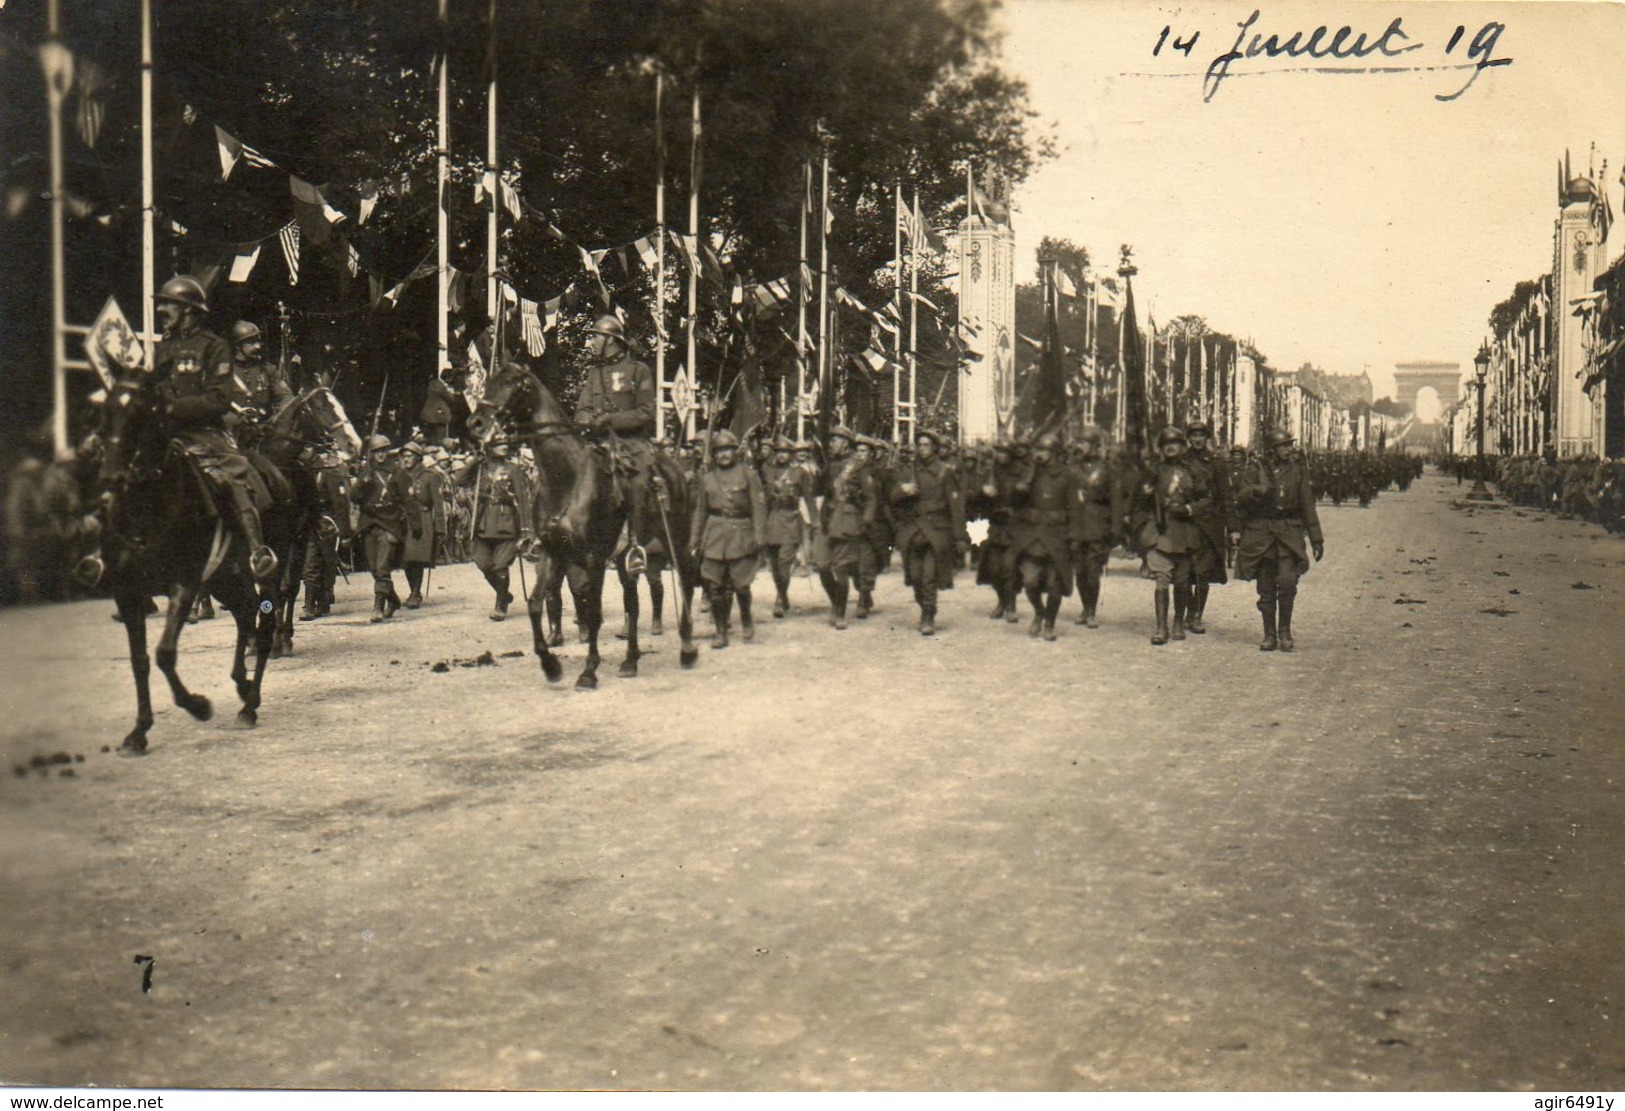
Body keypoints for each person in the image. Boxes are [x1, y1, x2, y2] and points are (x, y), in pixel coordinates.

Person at [148, 276, 279, 580]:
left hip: (206, 434)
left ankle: (258, 550)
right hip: (169, 433)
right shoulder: (163, 346)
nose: (162, 309)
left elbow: (219, 399)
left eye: (169, 304)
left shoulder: (214, 346)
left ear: (189, 310)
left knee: (233, 477)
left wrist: (174, 408)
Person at [574, 314, 659, 565]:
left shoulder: (639, 370)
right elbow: (581, 410)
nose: (591, 342)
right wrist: (588, 420)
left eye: (595, 336)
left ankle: (636, 545)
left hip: (632, 444)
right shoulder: (594, 373)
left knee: (640, 482)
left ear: (610, 340)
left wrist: (610, 419)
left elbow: (646, 412)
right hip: (597, 444)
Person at [1234, 428, 1324, 652]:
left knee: (1287, 581)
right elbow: (1240, 496)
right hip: (1262, 533)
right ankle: (1269, 634)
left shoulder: (1297, 471)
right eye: (1284, 446)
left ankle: (1284, 630)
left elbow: (1307, 504)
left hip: (1288, 532)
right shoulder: (1255, 469)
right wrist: (1256, 490)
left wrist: (1316, 539)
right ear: (1272, 449)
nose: (1288, 449)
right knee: (1265, 587)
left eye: (1289, 445)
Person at [689, 430, 767, 648]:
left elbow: (759, 508)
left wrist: (759, 536)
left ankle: (746, 617)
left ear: (735, 452)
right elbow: (700, 512)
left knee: (741, 585)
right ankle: (720, 631)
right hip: (714, 535)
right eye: (720, 451)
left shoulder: (748, 475)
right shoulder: (708, 478)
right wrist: (694, 540)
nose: (724, 455)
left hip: (741, 534)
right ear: (714, 454)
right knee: (714, 586)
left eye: (728, 450)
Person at [888, 428, 967, 636]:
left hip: (937, 529)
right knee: (914, 576)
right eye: (919, 445)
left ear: (934, 448)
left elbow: (955, 506)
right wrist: (903, 491)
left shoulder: (945, 472)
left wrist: (959, 536)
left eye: (926, 445)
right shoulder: (908, 471)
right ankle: (925, 607)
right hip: (913, 529)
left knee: (929, 576)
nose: (922, 449)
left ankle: (928, 615)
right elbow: (891, 498)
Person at [1007, 430, 1078, 641]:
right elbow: (1015, 503)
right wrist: (1022, 485)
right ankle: (1039, 611)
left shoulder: (1068, 476)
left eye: (1043, 450)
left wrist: (1074, 536)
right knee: (1030, 580)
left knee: (1055, 583)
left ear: (1055, 453)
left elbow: (1075, 508)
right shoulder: (1030, 473)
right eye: (1037, 449)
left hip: (1057, 536)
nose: (1038, 453)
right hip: (1033, 535)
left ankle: (1050, 623)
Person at [455, 442, 536, 621]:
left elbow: (523, 500)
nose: (504, 446)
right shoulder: (480, 468)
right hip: (483, 522)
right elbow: (459, 480)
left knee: (500, 566)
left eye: (505, 443)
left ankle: (500, 604)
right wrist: (474, 460)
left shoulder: (513, 469)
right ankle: (504, 593)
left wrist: (526, 531)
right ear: (489, 447)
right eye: (498, 443)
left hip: (506, 523)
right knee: (483, 563)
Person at [1137, 425, 1203, 646]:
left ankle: (1178, 621)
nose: (1171, 447)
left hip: (1184, 531)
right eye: (1167, 444)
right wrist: (1145, 494)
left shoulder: (1192, 471)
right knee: (1161, 579)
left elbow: (1206, 499)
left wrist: (1188, 509)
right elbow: (1139, 502)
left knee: (1183, 581)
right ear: (1162, 448)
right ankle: (1161, 626)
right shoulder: (1154, 471)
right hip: (1160, 530)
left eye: (1175, 443)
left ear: (1183, 447)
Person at [815, 426, 876, 629]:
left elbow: (870, 498)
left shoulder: (859, 466)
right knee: (823, 566)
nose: (831, 443)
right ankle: (835, 602)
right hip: (828, 519)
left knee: (841, 569)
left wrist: (865, 521)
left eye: (835, 440)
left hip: (847, 520)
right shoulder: (830, 466)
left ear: (845, 443)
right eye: (830, 440)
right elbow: (820, 490)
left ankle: (840, 612)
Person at [1182, 419, 1233, 634]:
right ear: (1188, 438)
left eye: (1201, 435)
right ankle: (1190, 609)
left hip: (1210, 524)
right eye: (1193, 436)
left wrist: (1233, 527)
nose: (1197, 439)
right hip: (1186, 522)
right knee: (1183, 573)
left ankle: (1195, 616)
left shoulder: (1217, 463)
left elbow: (1226, 496)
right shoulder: (1181, 461)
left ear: (1207, 438)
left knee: (1203, 573)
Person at [1068, 425, 1122, 628]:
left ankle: (1091, 610)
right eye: (1079, 442)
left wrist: (1116, 529)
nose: (1080, 447)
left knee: (1092, 570)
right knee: (1080, 571)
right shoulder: (1072, 469)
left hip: (1098, 526)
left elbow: (1116, 501)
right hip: (1076, 527)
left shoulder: (1107, 469)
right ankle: (1084, 607)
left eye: (1084, 443)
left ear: (1094, 446)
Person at [761, 435, 814, 618]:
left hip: (790, 519)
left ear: (790, 454)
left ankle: (779, 599)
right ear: (774, 454)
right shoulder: (766, 471)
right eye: (779, 452)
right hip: (771, 520)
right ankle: (783, 595)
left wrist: (816, 521)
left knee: (785, 563)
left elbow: (809, 499)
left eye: (785, 452)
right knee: (774, 565)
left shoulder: (799, 473)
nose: (782, 455)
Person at [299, 448, 352, 620]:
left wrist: (344, 534)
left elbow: (340, 505)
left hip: (327, 525)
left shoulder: (329, 475)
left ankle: (322, 602)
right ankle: (309, 605)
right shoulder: (302, 475)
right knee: (311, 564)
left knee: (327, 564)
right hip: (309, 525)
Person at [225, 319, 293, 445]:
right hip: (231, 438)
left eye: (258, 341)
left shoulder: (268, 370)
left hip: (263, 435)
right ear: (237, 346)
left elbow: (286, 397)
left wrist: (275, 419)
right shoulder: (224, 372)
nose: (258, 346)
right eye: (250, 342)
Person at [399, 442, 443, 609]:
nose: (406, 459)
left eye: (409, 456)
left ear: (418, 458)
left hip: (422, 520)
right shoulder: (400, 475)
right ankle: (413, 591)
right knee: (406, 558)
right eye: (403, 456)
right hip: (404, 520)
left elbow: (438, 505)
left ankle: (415, 592)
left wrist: (440, 529)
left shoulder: (429, 476)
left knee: (416, 558)